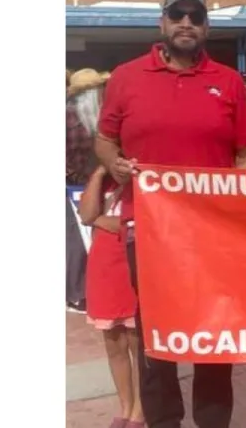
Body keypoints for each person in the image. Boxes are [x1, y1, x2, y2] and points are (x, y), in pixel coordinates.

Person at [95, 0, 246, 428]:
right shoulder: (126, 77)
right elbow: (104, 139)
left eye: (195, 16)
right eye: (178, 14)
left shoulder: (227, 81)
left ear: (206, 26)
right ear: (163, 22)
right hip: (146, 232)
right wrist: (116, 165)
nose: (186, 22)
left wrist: (240, 202)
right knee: (155, 340)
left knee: (213, 337)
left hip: (213, 236)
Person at [79, 165, 144, 428]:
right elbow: (85, 215)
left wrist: (100, 220)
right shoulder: (103, 184)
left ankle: (140, 409)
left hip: (132, 265)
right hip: (103, 268)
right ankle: (125, 407)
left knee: (136, 342)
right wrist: (97, 174)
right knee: (113, 343)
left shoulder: (141, 183)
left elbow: (138, 225)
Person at [66, 68, 111, 314]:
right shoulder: (77, 118)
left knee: (83, 240)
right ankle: (79, 293)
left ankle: (81, 292)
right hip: (82, 185)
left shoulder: (79, 116)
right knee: (82, 241)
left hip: (83, 185)